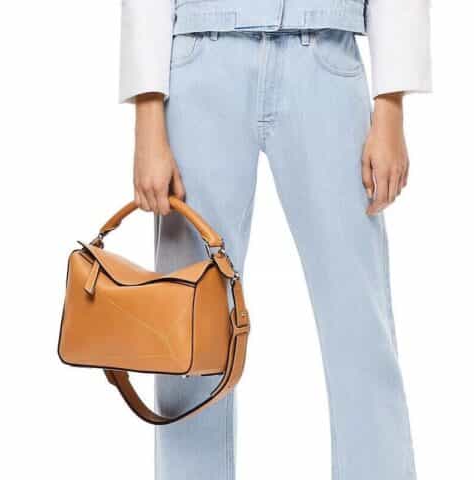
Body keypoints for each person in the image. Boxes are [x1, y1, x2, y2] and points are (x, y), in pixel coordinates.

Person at [120, 1, 432, 479]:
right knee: (189, 328)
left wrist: (390, 105)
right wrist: (147, 114)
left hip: (325, 52)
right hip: (202, 54)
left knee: (359, 318)